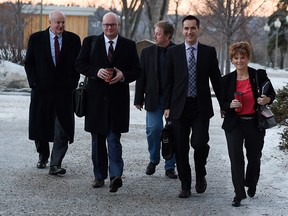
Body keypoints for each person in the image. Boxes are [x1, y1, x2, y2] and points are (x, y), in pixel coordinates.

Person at [75, 12, 141, 193]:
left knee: (113, 139)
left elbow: (137, 70)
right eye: (106, 25)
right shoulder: (90, 42)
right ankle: (99, 176)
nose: (109, 28)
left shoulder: (128, 45)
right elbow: (79, 64)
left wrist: (123, 76)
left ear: (118, 25)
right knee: (97, 141)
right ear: (102, 25)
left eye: (112, 25)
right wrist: (96, 71)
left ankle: (115, 176)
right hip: (95, 101)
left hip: (117, 101)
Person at [163, 15, 221, 198]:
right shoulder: (173, 53)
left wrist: (224, 104)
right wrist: (166, 105)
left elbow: (217, 81)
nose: (189, 32)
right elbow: (168, 82)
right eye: (186, 28)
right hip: (179, 107)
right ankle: (185, 185)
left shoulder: (208, 52)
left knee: (199, 143)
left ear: (198, 29)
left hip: (201, 107)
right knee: (181, 148)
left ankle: (201, 173)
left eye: (193, 28)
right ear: (182, 30)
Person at [24, 10, 81, 175]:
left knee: (62, 127)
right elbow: (29, 63)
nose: (61, 26)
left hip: (64, 92)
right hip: (41, 91)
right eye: (57, 22)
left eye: (63, 22)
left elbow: (77, 64)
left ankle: (55, 164)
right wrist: (34, 83)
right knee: (40, 126)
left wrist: (73, 82)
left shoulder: (73, 40)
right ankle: (43, 155)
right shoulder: (36, 39)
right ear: (49, 22)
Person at [220, 41, 276, 207]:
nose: (239, 61)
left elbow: (271, 94)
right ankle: (239, 193)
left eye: (242, 57)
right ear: (231, 60)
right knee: (236, 158)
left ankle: (251, 182)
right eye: (235, 58)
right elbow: (222, 102)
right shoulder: (226, 80)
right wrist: (229, 105)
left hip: (254, 123)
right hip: (234, 124)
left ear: (248, 58)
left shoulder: (258, 76)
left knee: (254, 157)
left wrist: (267, 99)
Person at [134, 21, 177, 179]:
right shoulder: (146, 53)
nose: (155, 35)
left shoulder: (178, 51)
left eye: (158, 33)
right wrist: (138, 98)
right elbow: (141, 76)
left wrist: (173, 102)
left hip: (173, 100)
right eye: (155, 32)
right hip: (153, 99)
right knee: (153, 130)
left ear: (167, 36)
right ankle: (153, 159)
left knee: (172, 132)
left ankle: (170, 166)